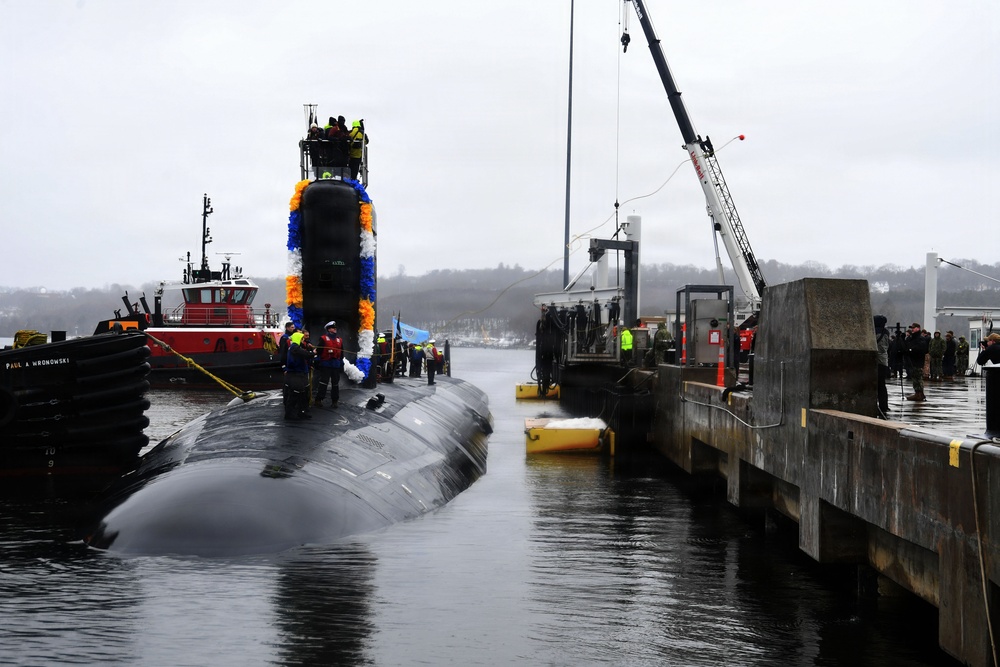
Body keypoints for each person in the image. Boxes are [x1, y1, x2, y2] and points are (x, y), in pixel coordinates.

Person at [284, 331, 315, 420]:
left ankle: (302, 411)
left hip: (300, 373)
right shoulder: (295, 348)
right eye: (302, 339)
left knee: (303, 393)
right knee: (295, 393)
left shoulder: (295, 348)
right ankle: (290, 414)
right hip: (295, 374)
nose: (303, 340)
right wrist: (314, 352)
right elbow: (306, 354)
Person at [313, 321, 343, 408]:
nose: (335, 329)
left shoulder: (339, 340)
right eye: (333, 328)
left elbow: (341, 353)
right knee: (323, 382)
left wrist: (341, 364)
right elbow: (319, 351)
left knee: (335, 384)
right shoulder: (323, 339)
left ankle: (335, 401)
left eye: (335, 328)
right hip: (326, 364)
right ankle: (319, 399)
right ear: (329, 329)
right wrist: (318, 361)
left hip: (335, 365)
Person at [903, 323, 929, 401]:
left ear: (918, 328)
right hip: (912, 360)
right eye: (912, 328)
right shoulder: (912, 338)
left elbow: (922, 349)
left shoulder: (920, 339)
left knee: (918, 377)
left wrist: (912, 350)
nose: (912, 329)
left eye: (914, 328)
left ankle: (919, 393)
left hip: (918, 360)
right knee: (915, 377)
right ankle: (918, 393)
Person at [874, 315, 890, 415]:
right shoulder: (886, 332)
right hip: (883, 361)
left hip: (874, 361)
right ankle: (884, 406)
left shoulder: (873, 332)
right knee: (882, 385)